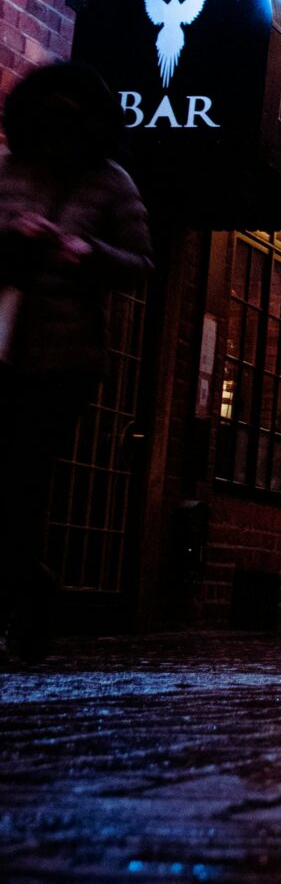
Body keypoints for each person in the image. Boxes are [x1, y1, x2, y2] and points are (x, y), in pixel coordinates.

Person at [0, 62, 151, 662]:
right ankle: (29, 592)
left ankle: (22, 606)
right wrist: (14, 237)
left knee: (25, 483)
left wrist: (87, 253)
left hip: (64, 361)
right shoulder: (8, 172)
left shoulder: (112, 183)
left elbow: (140, 264)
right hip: (3, 345)